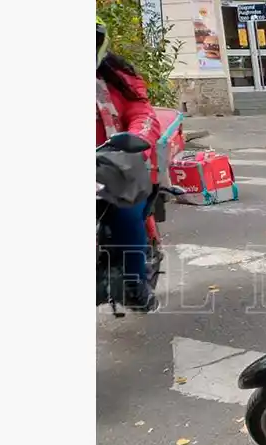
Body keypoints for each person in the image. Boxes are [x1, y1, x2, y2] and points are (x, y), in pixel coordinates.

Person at [96, 17, 162, 310]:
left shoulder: (118, 78)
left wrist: (133, 139)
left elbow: (143, 114)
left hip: (112, 165)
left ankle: (136, 285)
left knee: (126, 211)